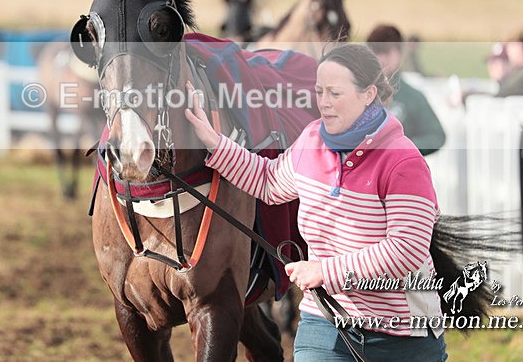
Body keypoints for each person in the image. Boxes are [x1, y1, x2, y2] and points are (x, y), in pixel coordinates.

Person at [185, 44, 447, 361]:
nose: (323, 103)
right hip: (324, 322)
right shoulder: (312, 140)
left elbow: (407, 249)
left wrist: (326, 271)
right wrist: (214, 142)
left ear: (368, 95)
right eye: (319, 91)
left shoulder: (403, 161)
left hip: (401, 335)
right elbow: (268, 182)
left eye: (335, 93)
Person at [366, 24, 446, 156]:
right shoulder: (356, 94)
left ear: (399, 53)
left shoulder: (412, 97)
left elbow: (436, 136)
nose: (381, 59)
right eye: (375, 52)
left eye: (386, 52)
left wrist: (402, 149)